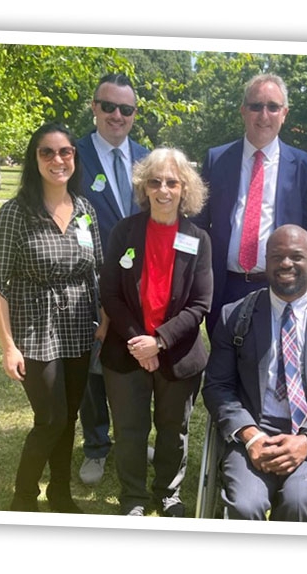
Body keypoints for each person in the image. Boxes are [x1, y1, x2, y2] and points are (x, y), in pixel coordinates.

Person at [202, 224, 307, 522]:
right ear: (266, 261)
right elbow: (218, 387)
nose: (286, 264)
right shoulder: (235, 316)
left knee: (299, 501)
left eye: (297, 256)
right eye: (277, 256)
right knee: (244, 504)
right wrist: (250, 436)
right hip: (255, 430)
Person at [0, 122, 104, 513]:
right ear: (35, 159)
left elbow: (96, 269)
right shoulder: (15, 213)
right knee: (50, 418)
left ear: (74, 157)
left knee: (69, 418)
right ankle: (23, 496)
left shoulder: (85, 210)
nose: (57, 159)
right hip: (35, 332)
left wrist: (103, 318)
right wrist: (8, 347)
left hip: (78, 330)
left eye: (65, 151)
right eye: (47, 152)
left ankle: (61, 494)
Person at [99, 147, 212, 517]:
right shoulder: (123, 231)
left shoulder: (199, 239)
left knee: (172, 430)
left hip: (177, 354)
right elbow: (111, 293)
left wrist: (159, 341)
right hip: (126, 350)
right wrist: (140, 342)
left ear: (185, 189)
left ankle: (168, 493)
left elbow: (200, 304)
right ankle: (132, 496)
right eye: (155, 182)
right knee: (130, 430)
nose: (163, 190)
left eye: (172, 182)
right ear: (144, 188)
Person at [192, 73, 307, 337]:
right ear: (243, 111)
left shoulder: (304, 166)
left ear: (284, 113)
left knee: (273, 370)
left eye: (273, 107)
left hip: (279, 285)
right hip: (224, 285)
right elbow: (198, 225)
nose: (264, 115)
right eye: (256, 106)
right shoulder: (216, 159)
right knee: (225, 370)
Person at [76, 73, 150, 486]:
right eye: (109, 106)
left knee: (134, 364)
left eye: (126, 109)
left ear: (134, 115)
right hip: (88, 281)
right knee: (94, 366)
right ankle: (96, 445)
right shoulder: (74, 154)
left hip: (139, 284)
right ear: (94, 107)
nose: (117, 116)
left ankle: (132, 440)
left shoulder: (146, 157)